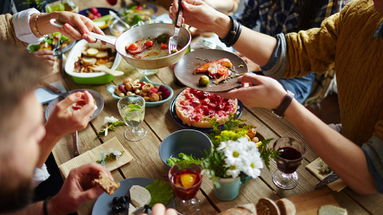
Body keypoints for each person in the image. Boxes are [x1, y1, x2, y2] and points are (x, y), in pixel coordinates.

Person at [170, 0, 383, 195]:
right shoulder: (362, 10)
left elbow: (370, 178)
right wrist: (220, 23)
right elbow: (297, 52)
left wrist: (284, 104)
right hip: (345, 143)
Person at [200, 0, 349, 103]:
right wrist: (212, 24)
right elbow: (245, 20)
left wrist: (260, 63)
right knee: (214, 87)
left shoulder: (331, 3)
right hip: (255, 54)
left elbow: (315, 58)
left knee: (247, 105)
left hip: (296, 74)